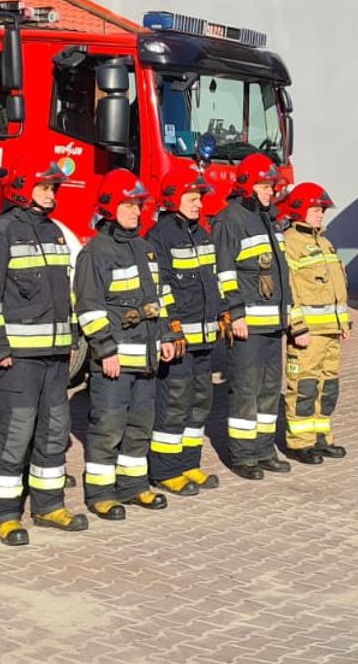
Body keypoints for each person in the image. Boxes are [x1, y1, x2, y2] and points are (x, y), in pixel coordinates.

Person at [0, 163, 86, 544]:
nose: (52, 194)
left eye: (55, 188)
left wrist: (70, 339)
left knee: (54, 432)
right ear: (22, 186)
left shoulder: (54, 232)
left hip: (55, 357)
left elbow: (64, 296)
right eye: (45, 186)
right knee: (14, 435)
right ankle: (5, 515)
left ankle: (49, 505)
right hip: (18, 358)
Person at [76, 169, 180, 520]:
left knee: (140, 424)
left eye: (139, 206)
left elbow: (160, 298)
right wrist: (105, 350)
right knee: (108, 425)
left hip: (147, 357)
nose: (137, 212)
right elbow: (89, 308)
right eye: (130, 205)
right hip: (116, 359)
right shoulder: (96, 253)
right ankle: (101, 493)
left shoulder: (146, 249)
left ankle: (133, 486)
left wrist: (166, 335)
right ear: (109, 206)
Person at [212, 154, 309, 480]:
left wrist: (290, 317)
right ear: (246, 186)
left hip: (273, 324)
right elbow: (224, 272)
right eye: (265, 186)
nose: (271, 191)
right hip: (248, 326)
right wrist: (234, 313)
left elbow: (281, 275)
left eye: (272, 186)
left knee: (269, 389)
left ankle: (264, 450)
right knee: (245, 389)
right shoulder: (230, 220)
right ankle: (243, 456)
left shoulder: (268, 219)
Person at [145, 166, 223, 495]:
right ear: (172, 199)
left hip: (204, 337)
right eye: (192, 198)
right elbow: (160, 290)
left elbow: (213, 280)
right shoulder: (160, 236)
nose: (198, 204)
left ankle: (189, 463)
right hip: (180, 340)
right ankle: (165, 470)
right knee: (174, 402)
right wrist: (170, 331)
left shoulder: (201, 233)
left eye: (200, 198)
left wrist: (222, 315)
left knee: (200, 401)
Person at [277, 183, 351, 465]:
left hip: (331, 332)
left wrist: (344, 323)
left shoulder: (325, 242)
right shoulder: (290, 244)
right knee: (304, 387)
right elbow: (289, 289)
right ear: (298, 210)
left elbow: (338, 288)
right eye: (316, 209)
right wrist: (297, 327)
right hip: (308, 333)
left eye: (322, 210)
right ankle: (300, 442)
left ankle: (322, 437)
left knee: (328, 387)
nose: (321, 214)